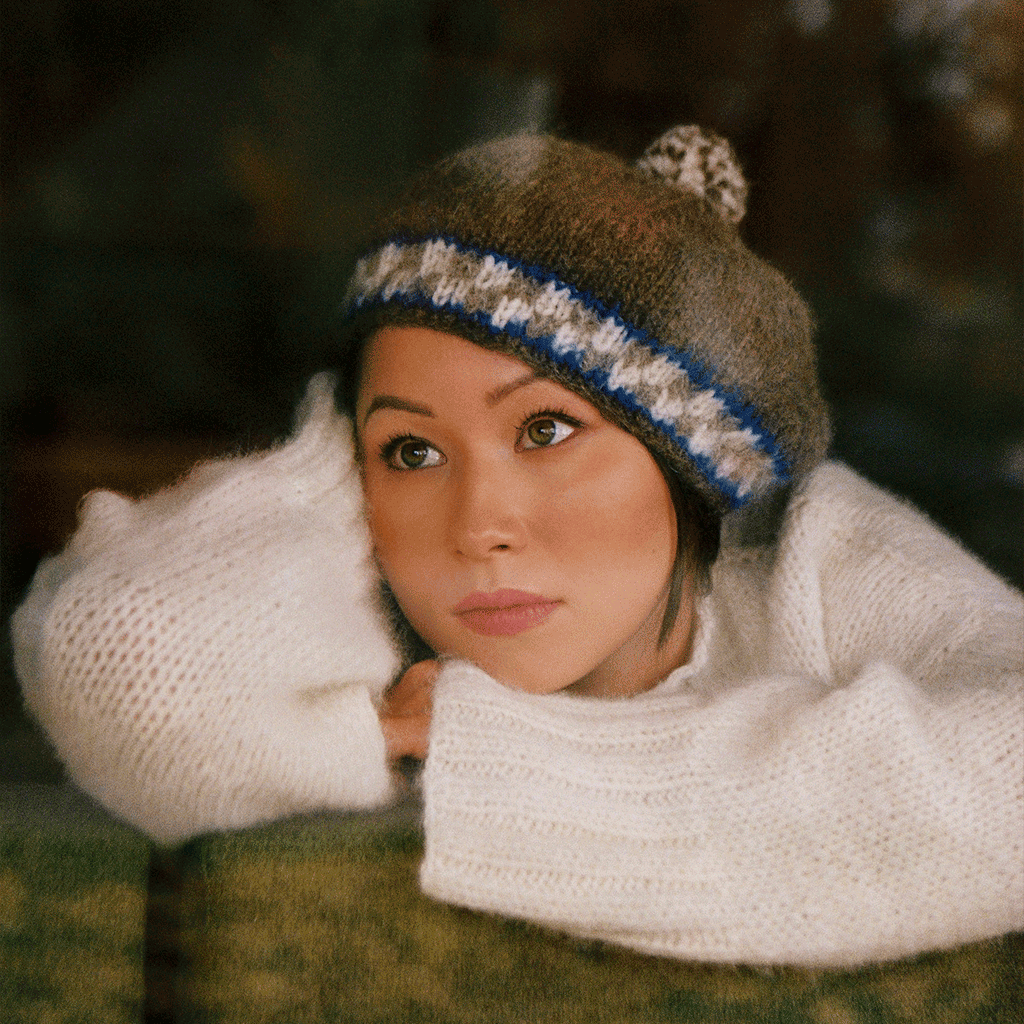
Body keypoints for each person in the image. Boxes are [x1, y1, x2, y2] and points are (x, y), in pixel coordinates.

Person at [11, 127, 1023, 968]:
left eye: (545, 430)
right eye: (411, 450)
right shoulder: (365, 604)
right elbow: (119, 657)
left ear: (688, 459)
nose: (477, 524)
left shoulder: (816, 560)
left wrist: (508, 760)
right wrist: (327, 464)